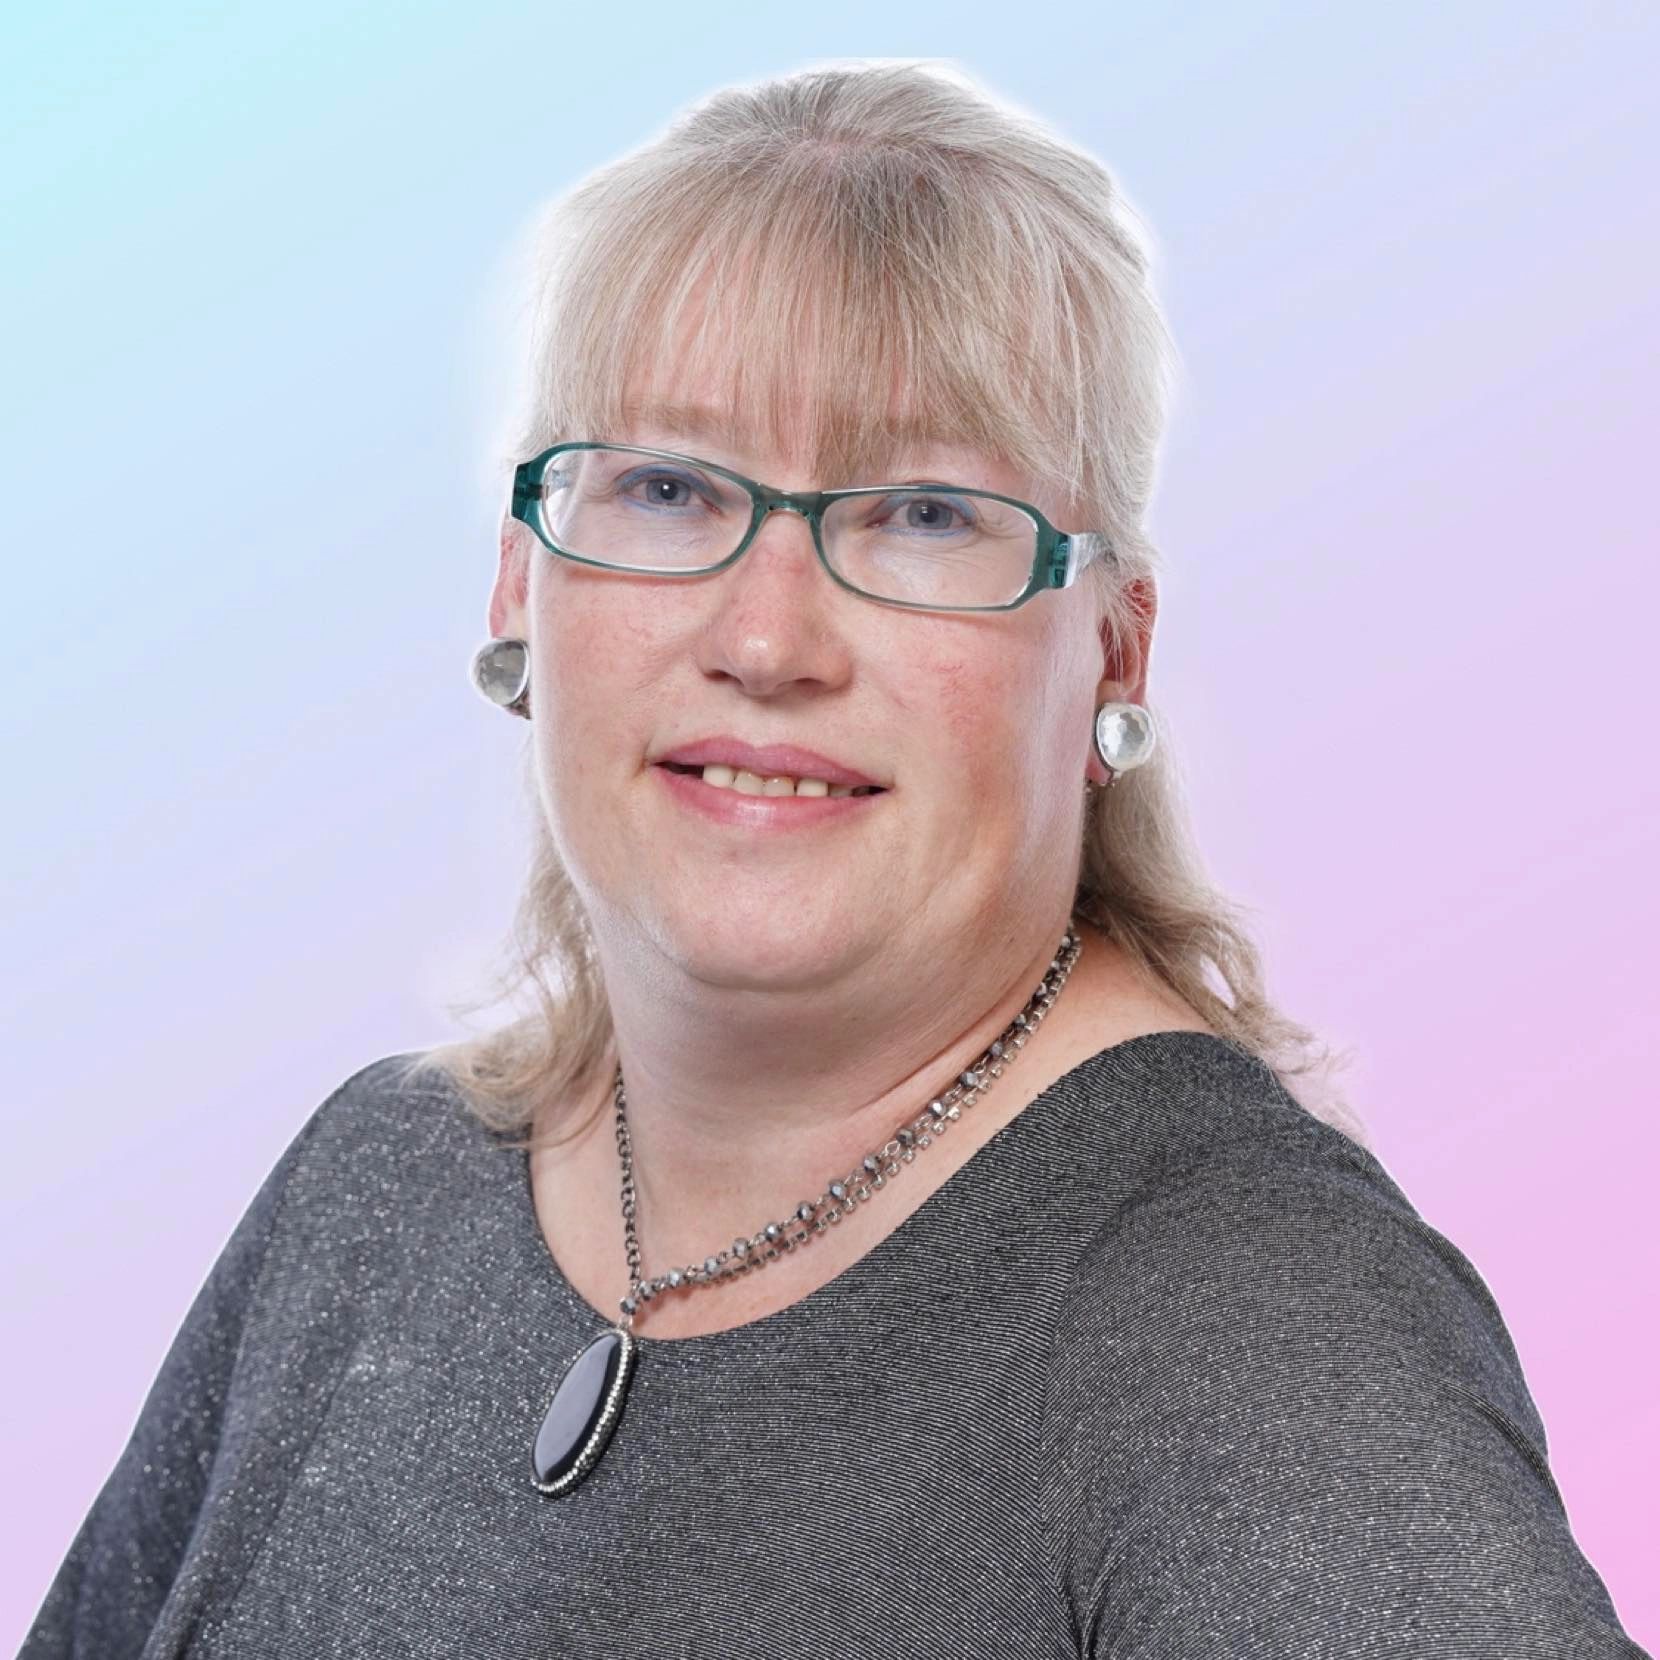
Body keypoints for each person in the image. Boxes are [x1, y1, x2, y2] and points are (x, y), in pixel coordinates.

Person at [21, 59, 1648, 1660]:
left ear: (1115, 655)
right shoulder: (374, 1188)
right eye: (665, 486)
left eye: (925, 515)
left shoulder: (1264, 1338)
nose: (767, 635)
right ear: (522, 590)